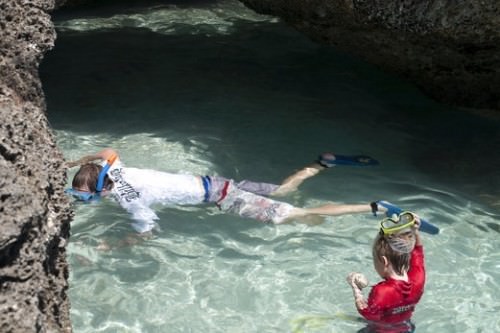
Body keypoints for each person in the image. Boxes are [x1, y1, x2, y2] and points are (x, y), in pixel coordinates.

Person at [66, 148, 383, 234]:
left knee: (300, 216)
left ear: (102, 189)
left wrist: (122, 242)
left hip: (224, 196)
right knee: (285, 190)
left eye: (85, 195)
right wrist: (82, 160)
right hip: (216, 183)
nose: (85, 200)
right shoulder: (118, 172)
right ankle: (324, 163)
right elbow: (108, 151)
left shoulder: (130, 199)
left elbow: (149, 231)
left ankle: (371, 207)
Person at [346, 211, 425, 331]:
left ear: (384, 261)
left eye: (375, 260)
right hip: (405, 328)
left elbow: (369, 314)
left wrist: (356, 289)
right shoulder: (418, 279)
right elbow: (418, 254)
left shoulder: (382, 291)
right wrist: (415, 231)